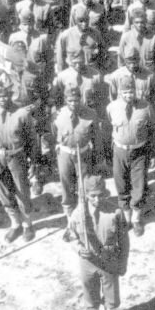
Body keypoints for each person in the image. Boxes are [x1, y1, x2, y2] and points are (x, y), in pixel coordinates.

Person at [68, 175, 130, 310]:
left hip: (109, 259)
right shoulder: (78, 214)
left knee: (111, 293)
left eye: (100, 194)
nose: (97, 199)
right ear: (85, 195)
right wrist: (79, 249)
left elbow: (124, 240)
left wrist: (123, 263)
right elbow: (70, 236)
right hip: (87, 261)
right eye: (92, 195)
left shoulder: (115, 212)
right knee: (89, 290)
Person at [0, 73, 38, 243]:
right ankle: (15, 224)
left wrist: (33, 162)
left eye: (5, 95)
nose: (3, 99)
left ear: (10, 95)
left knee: (21, 192)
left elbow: (32, 140)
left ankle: (27, 224)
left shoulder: (21, 114)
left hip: (17, 157)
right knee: (4, 193)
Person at [52, 86, 104, 241]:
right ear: (65, 100)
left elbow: (97, 138)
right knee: (67, 188)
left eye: (76, 100)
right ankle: (70, 224)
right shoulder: (57, 115)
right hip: (65, 154)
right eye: (70, 100)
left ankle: (85, 222)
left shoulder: (90, 114)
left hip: (83, 154)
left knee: (84, 187)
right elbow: (54, 133)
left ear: (80, 99)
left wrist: (99, 159)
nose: (73, 103)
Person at [106, 74, 153, 236]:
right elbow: (107, 131)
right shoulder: (112, 107)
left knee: (139, 186)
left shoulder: (145, 107)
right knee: (121, 184)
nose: (128, 95)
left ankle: (136, 219)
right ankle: (126, 219)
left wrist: (153, 154)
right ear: (119, 92)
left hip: (139, 151)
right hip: (119, 151)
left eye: (131, 92)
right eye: (125, 92)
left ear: (136, 90)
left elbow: (153, 131)